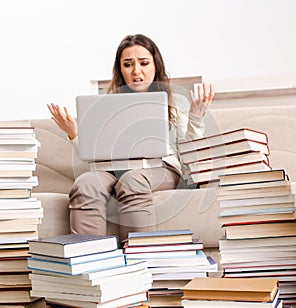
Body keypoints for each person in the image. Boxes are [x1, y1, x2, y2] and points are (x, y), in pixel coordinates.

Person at [47, 34, 214, 242]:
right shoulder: (106, 106)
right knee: (86, 182)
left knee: (132, 179)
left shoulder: (176, 103)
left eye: (144, 63)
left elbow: (191, 155)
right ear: (120, 70)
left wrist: (196, 118)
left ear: (155, 66)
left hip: (162, 170)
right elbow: (94, 159)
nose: (136, 71)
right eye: (128, 64)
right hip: (115, 168)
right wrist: (74, 133)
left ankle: (139, 261)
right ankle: (88, 262)